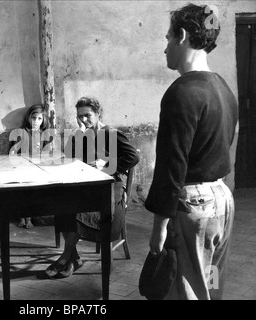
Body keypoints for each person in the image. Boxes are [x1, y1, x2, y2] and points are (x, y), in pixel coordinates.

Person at [144, 3, 238, 300]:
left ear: (182, 36)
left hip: (195, 207)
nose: (166, 48)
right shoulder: (222, 86)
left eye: (169, 38)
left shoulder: (182, 92)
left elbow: (172, 165)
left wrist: (160, 224)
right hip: (222, 200)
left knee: (188, 291)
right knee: (211, 283)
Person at [45, 96, 139, 278]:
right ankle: (74, 257)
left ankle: (65, 257)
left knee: (78, 212)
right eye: (79, 116)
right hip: (89, 187)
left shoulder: (111, 133)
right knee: (63, 206)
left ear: (98, 114)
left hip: (110, 190)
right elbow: (68, 156)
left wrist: (106, 165)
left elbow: (133, 157)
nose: (83, 120)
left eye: (87, 115)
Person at [9, 104, 53, 229]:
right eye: (33, 118)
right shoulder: (21, 133)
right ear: (28, 117)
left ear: (44, 120)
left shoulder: (45, 135)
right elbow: (13, 151)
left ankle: (29, 219)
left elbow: (47, 153)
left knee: (32, 194)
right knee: (21, 193)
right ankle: (22, 218)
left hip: (36, 168)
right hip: (22, 167)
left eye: (39, 119)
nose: (36, 122)